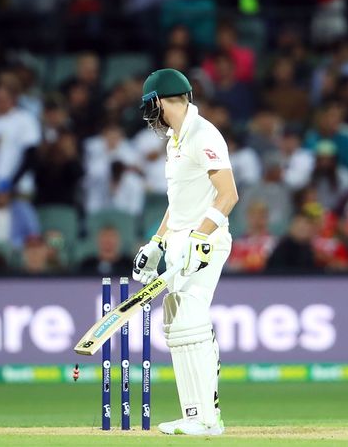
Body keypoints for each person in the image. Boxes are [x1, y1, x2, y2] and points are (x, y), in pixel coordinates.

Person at [130, 68, 238, 436]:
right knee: (176, 323)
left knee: (192, 317)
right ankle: (194, 414)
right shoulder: (175, 140)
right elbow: (178, 204)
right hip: (180, 242)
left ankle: (209, 418)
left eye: (150, 106)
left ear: (158, 101)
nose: (150, 116)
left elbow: (228, 195)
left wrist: (199, 237)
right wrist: (156, 242)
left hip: (206, 242)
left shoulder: (203, 134)